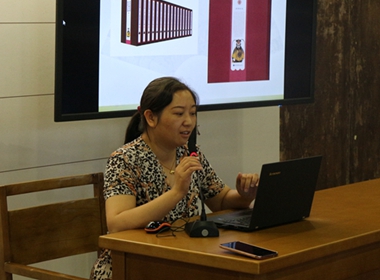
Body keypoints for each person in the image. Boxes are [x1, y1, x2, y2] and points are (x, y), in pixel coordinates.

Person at [91, 77, 259, 280]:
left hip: (182, 260)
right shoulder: (125, 159)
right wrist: (177, 192)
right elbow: (117, 223)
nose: (189, 122)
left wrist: (245, 195)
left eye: (193, 113)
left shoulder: (190, 153)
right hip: (132, 266)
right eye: (179, 114)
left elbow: (221, 200)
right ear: (151, 118)